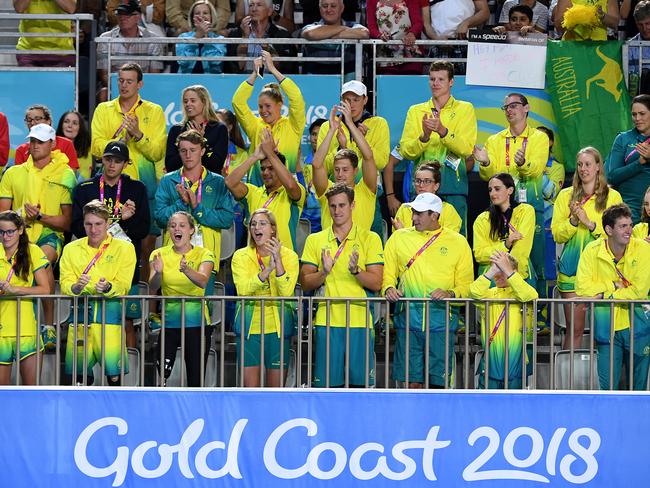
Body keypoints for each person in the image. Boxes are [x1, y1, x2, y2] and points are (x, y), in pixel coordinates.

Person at [383, 192, 473, 388]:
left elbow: (466, 286)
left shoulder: (458, 242)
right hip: (408, 322)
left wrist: (450, 294)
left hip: (441, 324)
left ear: (435, 215)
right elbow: (388, 275)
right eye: (414, 212)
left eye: (420, 213)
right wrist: (389, 288)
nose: (414, 217)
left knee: (438, 387)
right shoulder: (398, 238)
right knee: (411, 384)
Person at [300, 183, 384, 387]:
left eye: (342, 205)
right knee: (327, 387)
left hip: (359, 321)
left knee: (361, 387)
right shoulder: (315, 239)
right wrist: (324, 272)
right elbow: (305, 282)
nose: (337, 211)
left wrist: (356, 271)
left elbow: (376, 282)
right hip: (326, 321)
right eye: (333, 206)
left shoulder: (370, 238)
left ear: (353, 205)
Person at [0, 123, 76, 349]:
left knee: (40, 260)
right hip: (16, 235)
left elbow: (67, 221)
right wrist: (23, 215)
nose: (35, 146)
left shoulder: (65, 174)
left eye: (41, 142)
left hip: (48, 235)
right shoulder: (13, 172)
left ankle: (49, 326)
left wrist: (40, 216)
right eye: (32, 141)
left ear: (52, 144)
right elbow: (3, 214)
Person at [91, 62, 166, 283]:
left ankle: (144, 302)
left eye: (129, 81)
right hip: (110, 184)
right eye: (120, 81)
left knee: (146, 247)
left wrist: (138, 135)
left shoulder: (154, 111)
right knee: (109, 243)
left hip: (143, 184)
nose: (124, 85)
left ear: (140, 84)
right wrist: (119, 143)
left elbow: (157, 151)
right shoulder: (104, 110)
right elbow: (96, 146)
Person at [72, 141, 150, 348]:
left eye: (117, 161)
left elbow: (143, 228)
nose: (112, 165)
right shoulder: (84, 189)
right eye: (108, 159)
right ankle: (87, 376)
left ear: (126, 164)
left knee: (126, 321)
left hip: (123, 265)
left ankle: (127, 375)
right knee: (86, 322)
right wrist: (119, 219)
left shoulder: (137, 189)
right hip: (90, 263)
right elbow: (78, 226)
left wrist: (126, 220)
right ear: (102, 160)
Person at [474, 93, 548, 299]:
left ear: (527, 108)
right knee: (501, 248)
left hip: (529, 205)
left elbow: (536, 169)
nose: (509, 110)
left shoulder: (538, 138)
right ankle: (501, 297)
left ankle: (537, 307)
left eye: (514, 105)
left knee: (535, 258)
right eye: (505, 107)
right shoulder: (494, 140)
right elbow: (489, 177)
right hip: (501, 208)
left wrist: (523, 163)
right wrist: (486, 163)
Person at [551, 147, 623, 350]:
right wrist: (573, 222)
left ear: (598, 166)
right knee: (575, 330)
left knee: (602, 332)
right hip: (572, 271)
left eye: (588, 164)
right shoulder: (566, 196)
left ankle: (599, 379)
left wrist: (589, 223)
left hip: (601, 272)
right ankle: (568, 380)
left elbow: (618, 234)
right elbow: (557, 233)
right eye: (580, 164)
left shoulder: (613, 197)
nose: (583, 169)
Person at [60, 200, 137, 386]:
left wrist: (109, 288)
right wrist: (76, 288)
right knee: (79, 379)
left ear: (108, 223)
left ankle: (115, 412)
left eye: (98, 224)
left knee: (114, 378)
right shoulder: (71, 249)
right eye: (88, 224)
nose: (93, 229)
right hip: (79, 321)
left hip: (110, 321)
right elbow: (65, 283)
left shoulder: (125, 248)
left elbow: (124, 284)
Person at [576, 203, 650, 390]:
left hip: (639, 326)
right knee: (607, 389)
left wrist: (603, 295)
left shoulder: (643, 249)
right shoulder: (592, 251)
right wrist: (612, 286)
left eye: (630, 225)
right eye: (623, 226)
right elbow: (583, 289)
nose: (629, 230)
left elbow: (639, 292)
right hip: (606, 328)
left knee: (638, 389)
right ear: (609, 229)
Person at [398, 61, 477, 235]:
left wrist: (443, 131)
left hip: (453, 187)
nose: (435, 83)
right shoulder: (415, 111)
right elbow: (406, 151)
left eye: (441, 79)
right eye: (432, 79)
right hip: (422, 187)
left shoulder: (465, 109)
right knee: (418, 238)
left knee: (456, 240)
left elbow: (466, 149)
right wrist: (424, 137)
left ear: (451, 82)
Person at [232, 208, 299, 387]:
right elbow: (243, 290)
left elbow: (286, 292)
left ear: (273, 229)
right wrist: (266, 272)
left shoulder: (290, 256)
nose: (256, 228)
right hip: (249, 328)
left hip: (278, 328)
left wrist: (277, 262)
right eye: (253, 224)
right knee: (250, 391)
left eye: (262, 223)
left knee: (275, 392)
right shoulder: (240, 256)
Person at [149, 211, 215, 387]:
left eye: (182, 225)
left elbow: (202, 281)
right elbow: (153, 286)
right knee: (162, 374)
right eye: (172, 226)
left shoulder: (204, 254)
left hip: (197, 324)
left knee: (195, 378)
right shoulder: (159, 254)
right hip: (169, 323)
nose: (176, 229)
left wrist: (186, 270)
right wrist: (159, 272)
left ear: (192, 230)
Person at [156, 129, 234, 271]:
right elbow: (160, 218)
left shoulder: (218, 182)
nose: (188, 155)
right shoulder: (168, 181)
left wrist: (197, 207)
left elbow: (227, 219)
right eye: (183, 150)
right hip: (172, 261)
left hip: (205, 260)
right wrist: (181, 203)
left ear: (202, 151)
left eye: (193, 150)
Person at [232, 50, 305, 185]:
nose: (263, 111)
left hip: (286, 192)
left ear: (279, 105)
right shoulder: (255, 126)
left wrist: (272, 69)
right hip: (258, 191)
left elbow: (297, 99)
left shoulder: (294, 126)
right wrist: (254, 74)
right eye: (260, 107)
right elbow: (238, 102)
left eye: (267, 106)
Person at [225, 129, 305, 251]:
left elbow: (290, 185)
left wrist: (271, 154)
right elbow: (229, 182)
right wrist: (254, 157)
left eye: (271, 168)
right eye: (262, 169)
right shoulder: (253, 193)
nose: (265, 173)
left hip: (284, 261)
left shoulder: (293, 192)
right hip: (255, 262)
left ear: (280, 169)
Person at [470, 251, 538, 389]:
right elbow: (473, 293)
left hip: (516, 365)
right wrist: (491, 270)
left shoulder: (523, 292)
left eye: (503, 270)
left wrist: (508, 270)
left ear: (514, 272)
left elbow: (529, 296)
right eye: (497, 270)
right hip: (491, 365)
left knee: (514, 407)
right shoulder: (488, 294)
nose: (499, 275)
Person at [0, 211, 51, 385]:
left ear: (20, 230)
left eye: (10, 232)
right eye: (1, 232)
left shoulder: (33, 251)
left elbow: (45, 290)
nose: (5, 236)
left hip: (27, 331)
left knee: (31, 392)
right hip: (1, 332)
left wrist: (15, 290)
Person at [312, 105, 377, 232]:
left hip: (360, 250)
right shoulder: (327, 192)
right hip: (331, 251)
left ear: (355, 171)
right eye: (337, 169)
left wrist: (350, 124)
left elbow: (368, 157)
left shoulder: (366, 190)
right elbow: (317, 164)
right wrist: (332, 130)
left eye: (345, 170)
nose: (340, 174)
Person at [96, 0, 164, 103]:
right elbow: (104, 75)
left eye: (127, 15)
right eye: (120, 14)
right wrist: (123, 88)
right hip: (116, 87)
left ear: (137, 17)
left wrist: (133, 90)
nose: (122, 18)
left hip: (143, 88)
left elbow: (154, 76)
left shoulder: (152, 40)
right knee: (104, 93)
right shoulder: (106, 39)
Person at [473, 173, 536, 281]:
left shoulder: (526, 211)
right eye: (490, 190)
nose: (492, 193)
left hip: (518, 274)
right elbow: (479, 254)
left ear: (510, 190)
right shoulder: (482, 219)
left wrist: (510, 275)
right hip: (492, 277)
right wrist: (505, 245)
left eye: (497, 189)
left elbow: (522, 248)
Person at [605, 94, 650, 224]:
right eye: (634, 114)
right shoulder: (623, 139)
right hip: (628, 212)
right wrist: (639, 163)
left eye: (642, 113)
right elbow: (612, 176)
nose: (637, 118)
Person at [165, 85, 228, 174]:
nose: (188, 104)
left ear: (204, 102)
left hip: (209, 184)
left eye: (193, 101)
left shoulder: (219, 129)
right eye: (185, 101)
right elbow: (170, 166)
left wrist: (200, 141)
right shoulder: (176, 130)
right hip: (181, 183)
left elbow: (216, 165)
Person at [300, 0, 370, 75]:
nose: (329, 10)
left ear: (341, 8)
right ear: (320, 9)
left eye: (333, 6)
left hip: (347, 81)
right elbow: (310, 34)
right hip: (315, 80)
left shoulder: (353, 26)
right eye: (325, 6)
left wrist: (325, 34)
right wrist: (342, 28)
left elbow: (364, 33)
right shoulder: (311, 27)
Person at [226, 0, 296, 74]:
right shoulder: (236, 34)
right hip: (244, 81)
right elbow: (238, 67)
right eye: (251, 5)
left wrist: (266, 45)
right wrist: (245, 37)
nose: (254, 9)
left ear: (269, 11)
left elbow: (283, 68)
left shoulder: (282, 35)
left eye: (259, 5)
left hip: (272, 82)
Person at [392, 161, 462, 232]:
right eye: (418, 181)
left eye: (427, 181)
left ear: (436, 186)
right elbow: (396, 240)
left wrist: (404, 234)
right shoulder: (404, 208)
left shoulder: (448, 210)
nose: (421, 185)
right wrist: (400, 234)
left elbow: (449, 239)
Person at [14, 104, 79, 170]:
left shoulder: (66, 144)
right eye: (29, 120)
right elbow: (19, 176)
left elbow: (72, 174)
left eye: (37, 119)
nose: (33, 123)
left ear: (48, 121)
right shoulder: (21, 150)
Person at [366, 0, 423, 75]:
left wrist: (411, 34)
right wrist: (379, 35)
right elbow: (371, 27)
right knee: (387, 84)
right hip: (385, 55)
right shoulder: (371, 1)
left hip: (410, 53)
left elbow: (418, 22)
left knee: (412, 84)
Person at [14, 0, 76, 67]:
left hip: (62, 52)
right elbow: (19, 8)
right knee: (29, 77)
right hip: (28, 50)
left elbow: (71, 8)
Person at [176, 0, 227, 74]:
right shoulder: (183, 37)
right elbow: (183, 62)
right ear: (192, 18)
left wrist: (206, 36)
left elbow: (215, 63)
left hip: (211, 81)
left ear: (211, 17)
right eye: (197, 13)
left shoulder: (220, 39)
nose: (201, 16)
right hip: (186, 81)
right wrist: (197, 36)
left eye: (205, 13)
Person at [297, 118, 326, 233]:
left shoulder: (334, 162)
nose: (316, 138)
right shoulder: (303, 163)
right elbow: (301, 192)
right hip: (306, 220)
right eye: (314, 134)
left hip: (327, 217)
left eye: (320, 134)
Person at [555, 0, 619, 40]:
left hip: (598, 46)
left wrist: (602, 16)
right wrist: (574, 18)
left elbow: (615, 23)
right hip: (573, 46)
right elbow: (558, 26)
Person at [56, 110, 92, 179]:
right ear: (61, 125)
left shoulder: (86, 150)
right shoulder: (51, 146)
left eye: (75, 123)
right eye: (66, 122)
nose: (70, 126)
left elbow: (84, 179)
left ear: (80, 128)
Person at [626, 1, 650, 96]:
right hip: (640, 94)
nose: (644, 28)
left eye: (648, 23)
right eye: (640, 25)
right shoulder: (630, 46)